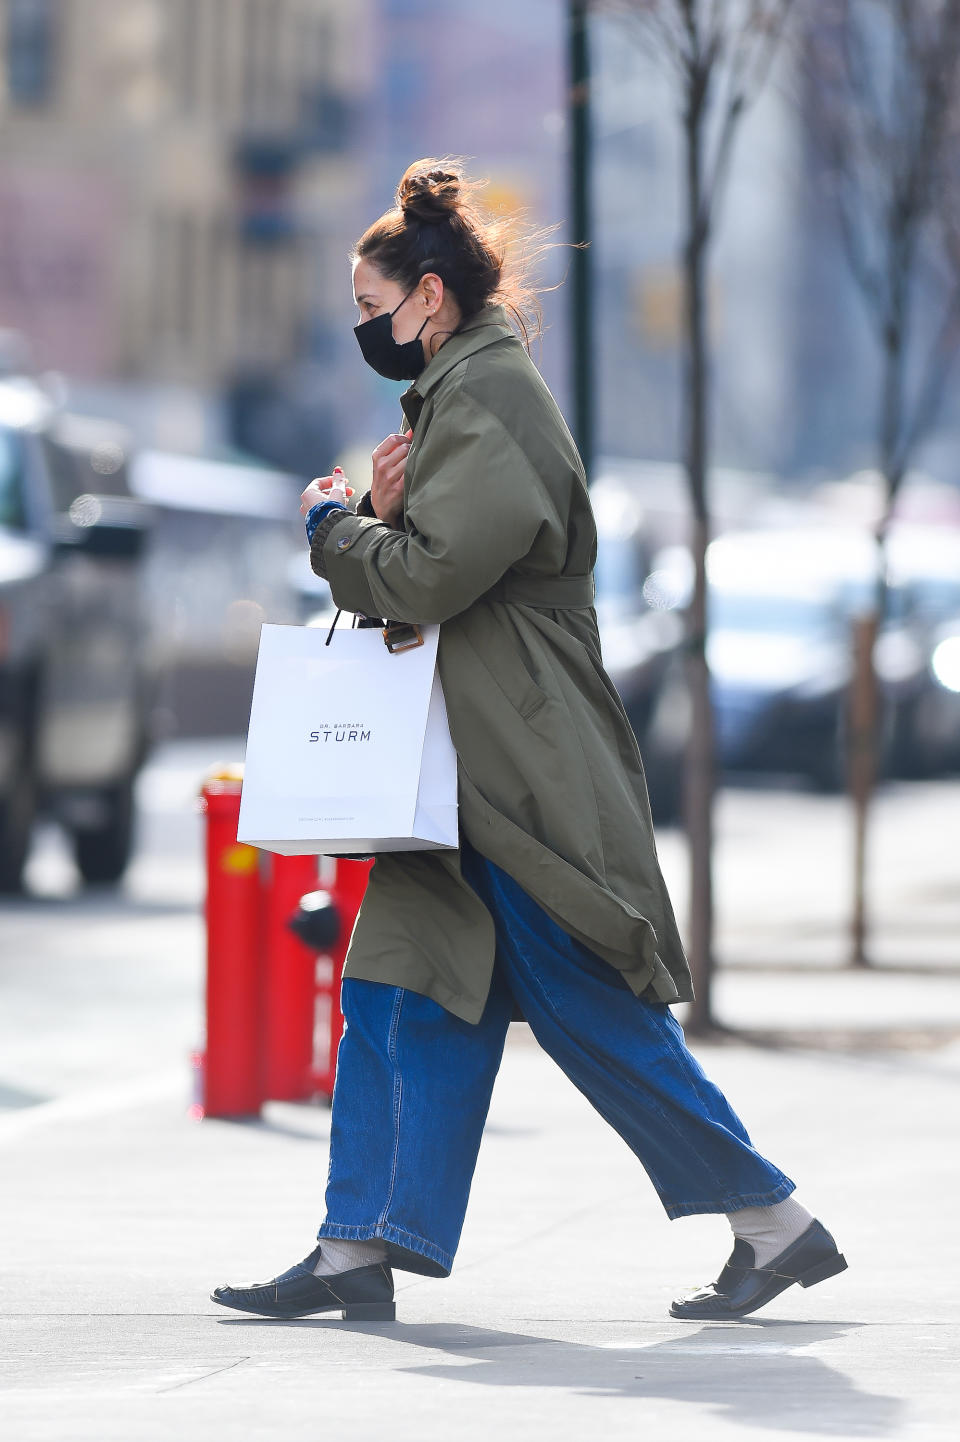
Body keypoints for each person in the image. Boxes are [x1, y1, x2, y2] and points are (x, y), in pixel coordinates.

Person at [212, 159, 846, 1324]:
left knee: (587, 1005)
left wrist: (334, 526)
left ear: (432, 298)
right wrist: (380, 520)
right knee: (398, 993)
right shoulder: (454, 396)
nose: (364, 329)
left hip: (515, 769)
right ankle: (355, 1245)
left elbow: (439, 578)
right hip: (457, 766)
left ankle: (774, 1220)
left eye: (371, 308)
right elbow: (429, 572)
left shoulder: (490, 394)